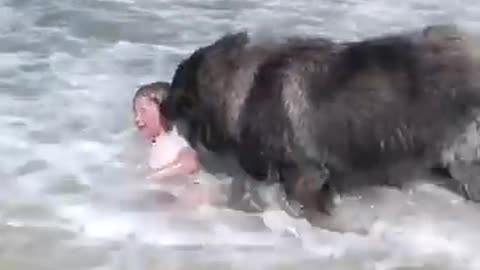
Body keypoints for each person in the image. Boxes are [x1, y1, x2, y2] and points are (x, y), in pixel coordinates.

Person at [132, 81, 224, 207]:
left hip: (196, 200)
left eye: (143, 111)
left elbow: (190, 162)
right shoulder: (154, 143)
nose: (137, 119)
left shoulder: (175, 137)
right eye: (135, 113)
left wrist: (151, 178)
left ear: (164, 111)